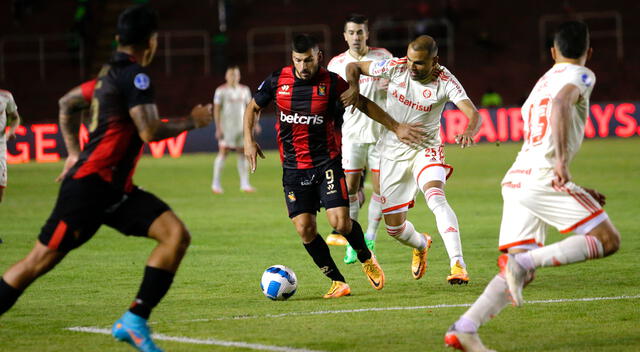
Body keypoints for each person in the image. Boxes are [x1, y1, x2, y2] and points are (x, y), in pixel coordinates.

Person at [0, 5, 213, 352]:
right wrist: (192, 120)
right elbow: (149, 130)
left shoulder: (106, 75)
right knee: (35, 263)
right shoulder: (136, 77)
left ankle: (133, 321)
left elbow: (67, 102)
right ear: (152, 42)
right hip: (89, 189)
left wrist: (72, 152)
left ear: (118, 39)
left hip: (114, 189)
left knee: (175, 235)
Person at [445, 21, 620, 351]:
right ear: (589, 52)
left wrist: (571, 181)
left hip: (517, 179)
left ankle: (465, 328)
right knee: (607, 240)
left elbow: (541, 133)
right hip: (541, 178)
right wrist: (562, 166)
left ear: (553, 52)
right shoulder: (582, 74)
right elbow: (561, 105)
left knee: (519, 266)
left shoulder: (541, 83)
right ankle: (523, 263)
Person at [244, 34, 425, 298]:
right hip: (293, 169)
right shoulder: (277, 80)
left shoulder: (331, 82)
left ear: (318, 56)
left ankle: (366, 257)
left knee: (340, 223)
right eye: (297, 60)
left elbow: (363, 104)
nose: (303, 66)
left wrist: (396, 127)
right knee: (305, 229)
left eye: (307, 60)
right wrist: (248, 141)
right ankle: (338, 282)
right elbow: (252, 107)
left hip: (326, 163)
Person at [343, 35, 481, 284]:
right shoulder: (396, 67)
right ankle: (421, 244)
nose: (412, 67)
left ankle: (457, 264)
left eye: (419, 63)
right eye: (410, 60)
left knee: (436, 198)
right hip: (392, 152)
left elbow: (472, 111)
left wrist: (470, 129)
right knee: (394, 228)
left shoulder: (445, 80)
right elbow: (353, 66)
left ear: (434, 61)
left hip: (426, 148)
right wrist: (354, 87)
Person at [327, 14, 392, 264]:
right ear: (344, 36)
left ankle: (370, 236)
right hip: (352, 134)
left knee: (379, 189)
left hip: (380, 135)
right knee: (350, 189)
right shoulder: (336, 64)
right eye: (351, 32)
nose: (356, 37)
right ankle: (355, 243)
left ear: (367, 34)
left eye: (360, 32)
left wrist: (393, 88)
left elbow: (400, 85)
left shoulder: (383, 57)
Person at [211, 65, 256, 194]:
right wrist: (218, 128)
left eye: (236, 75)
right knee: (223, 153)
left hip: (241, 128)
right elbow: (217, 110)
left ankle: (245, 184)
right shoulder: (220, 91)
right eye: (231, 75)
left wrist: (254, 124)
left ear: (239, 76)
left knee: (242, 153)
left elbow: (249, 108)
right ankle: (216, 184)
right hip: (227, 128)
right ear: (226, 76)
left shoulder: (244, 90)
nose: (233, 77)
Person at [0, 88, 21, 244]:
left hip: (0, 147)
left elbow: (15, 118)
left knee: (0, 188)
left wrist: (10, 132)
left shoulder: (5, 96)